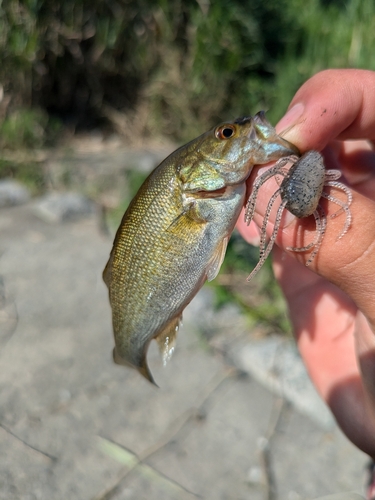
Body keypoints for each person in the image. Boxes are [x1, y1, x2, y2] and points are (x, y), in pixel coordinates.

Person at [236, 69, 375, 500]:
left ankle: (261, 256)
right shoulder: (312, 170)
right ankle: (261, 256)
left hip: (304, 188)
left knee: (279, 212)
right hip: (302, 189)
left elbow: (324, 202)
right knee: (280, 212)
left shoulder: (319, 170)